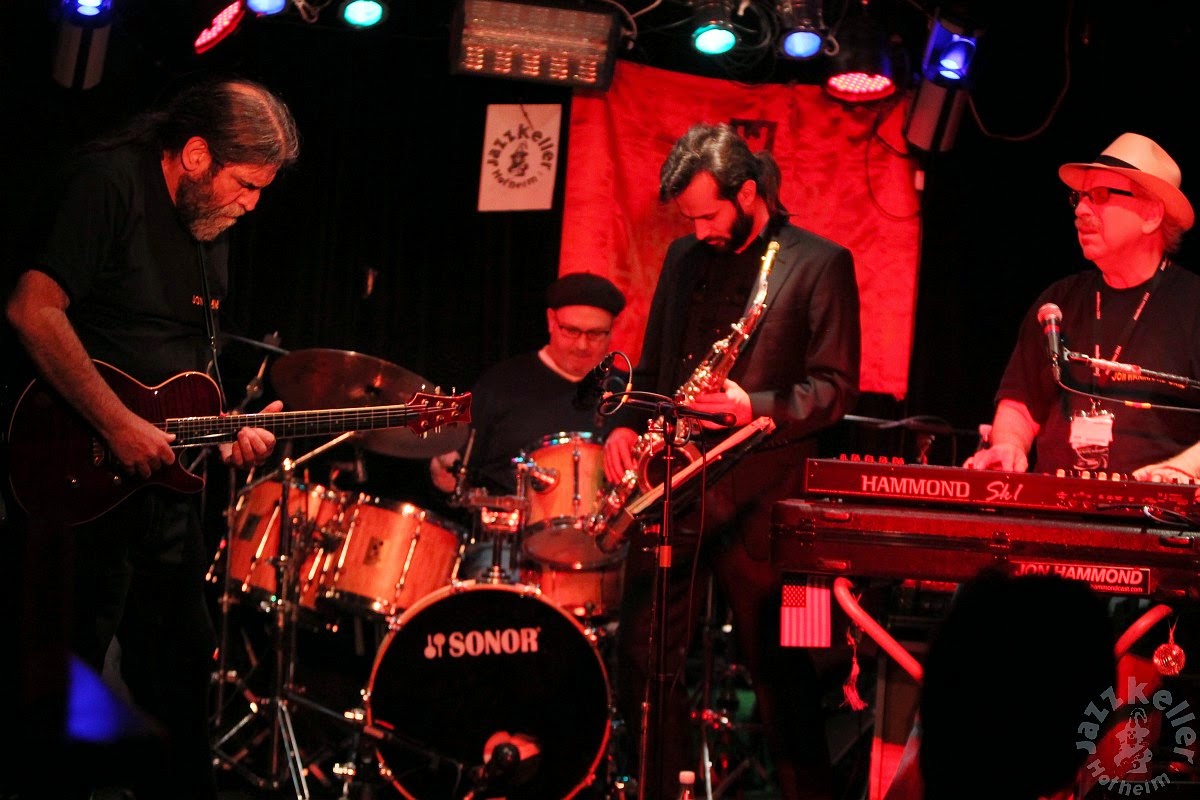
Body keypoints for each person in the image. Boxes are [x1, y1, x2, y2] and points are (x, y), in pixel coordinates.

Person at [3, 77, 300, 800]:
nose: (252, 203)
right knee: (61, 679)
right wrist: (115, 422)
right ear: (196, 155)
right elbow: (33, 311)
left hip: (161, 488)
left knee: (181, 672)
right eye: (246, 184)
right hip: (74, 473)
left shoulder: (208, 226)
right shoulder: (108, 183)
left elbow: (188, 360)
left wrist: (227, 432)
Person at [601, 122, 861, 799]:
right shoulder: (684, 258)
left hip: (768, 501)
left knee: (787, 674)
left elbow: (835, 389)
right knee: (642, 659)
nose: (700, 230)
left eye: (709, 215)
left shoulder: (821, 262)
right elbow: (656, 365)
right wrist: (625, 424)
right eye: (690, 219)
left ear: (748, 193)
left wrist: (754, 406)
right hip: (676, 488)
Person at [965, 132, 1200, 477]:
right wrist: (1010, 445)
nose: (1080, 209)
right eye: (1080, 197)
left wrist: (1180, 471)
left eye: (1100, 196)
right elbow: (1021, 403)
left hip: (1155, 507)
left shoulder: (1193, 304)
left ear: (1151, 214)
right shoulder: (1058, 301)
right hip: (1054, 505)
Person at [430, 272, 628, 591]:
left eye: (595, 334)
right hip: (507, 548)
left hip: (602, 551)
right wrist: (442, 464)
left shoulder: (627, 394)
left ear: (612, 330)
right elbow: (452, 473)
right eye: (571, 330)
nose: (582, 344)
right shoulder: (501, 384)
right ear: (551, 321)